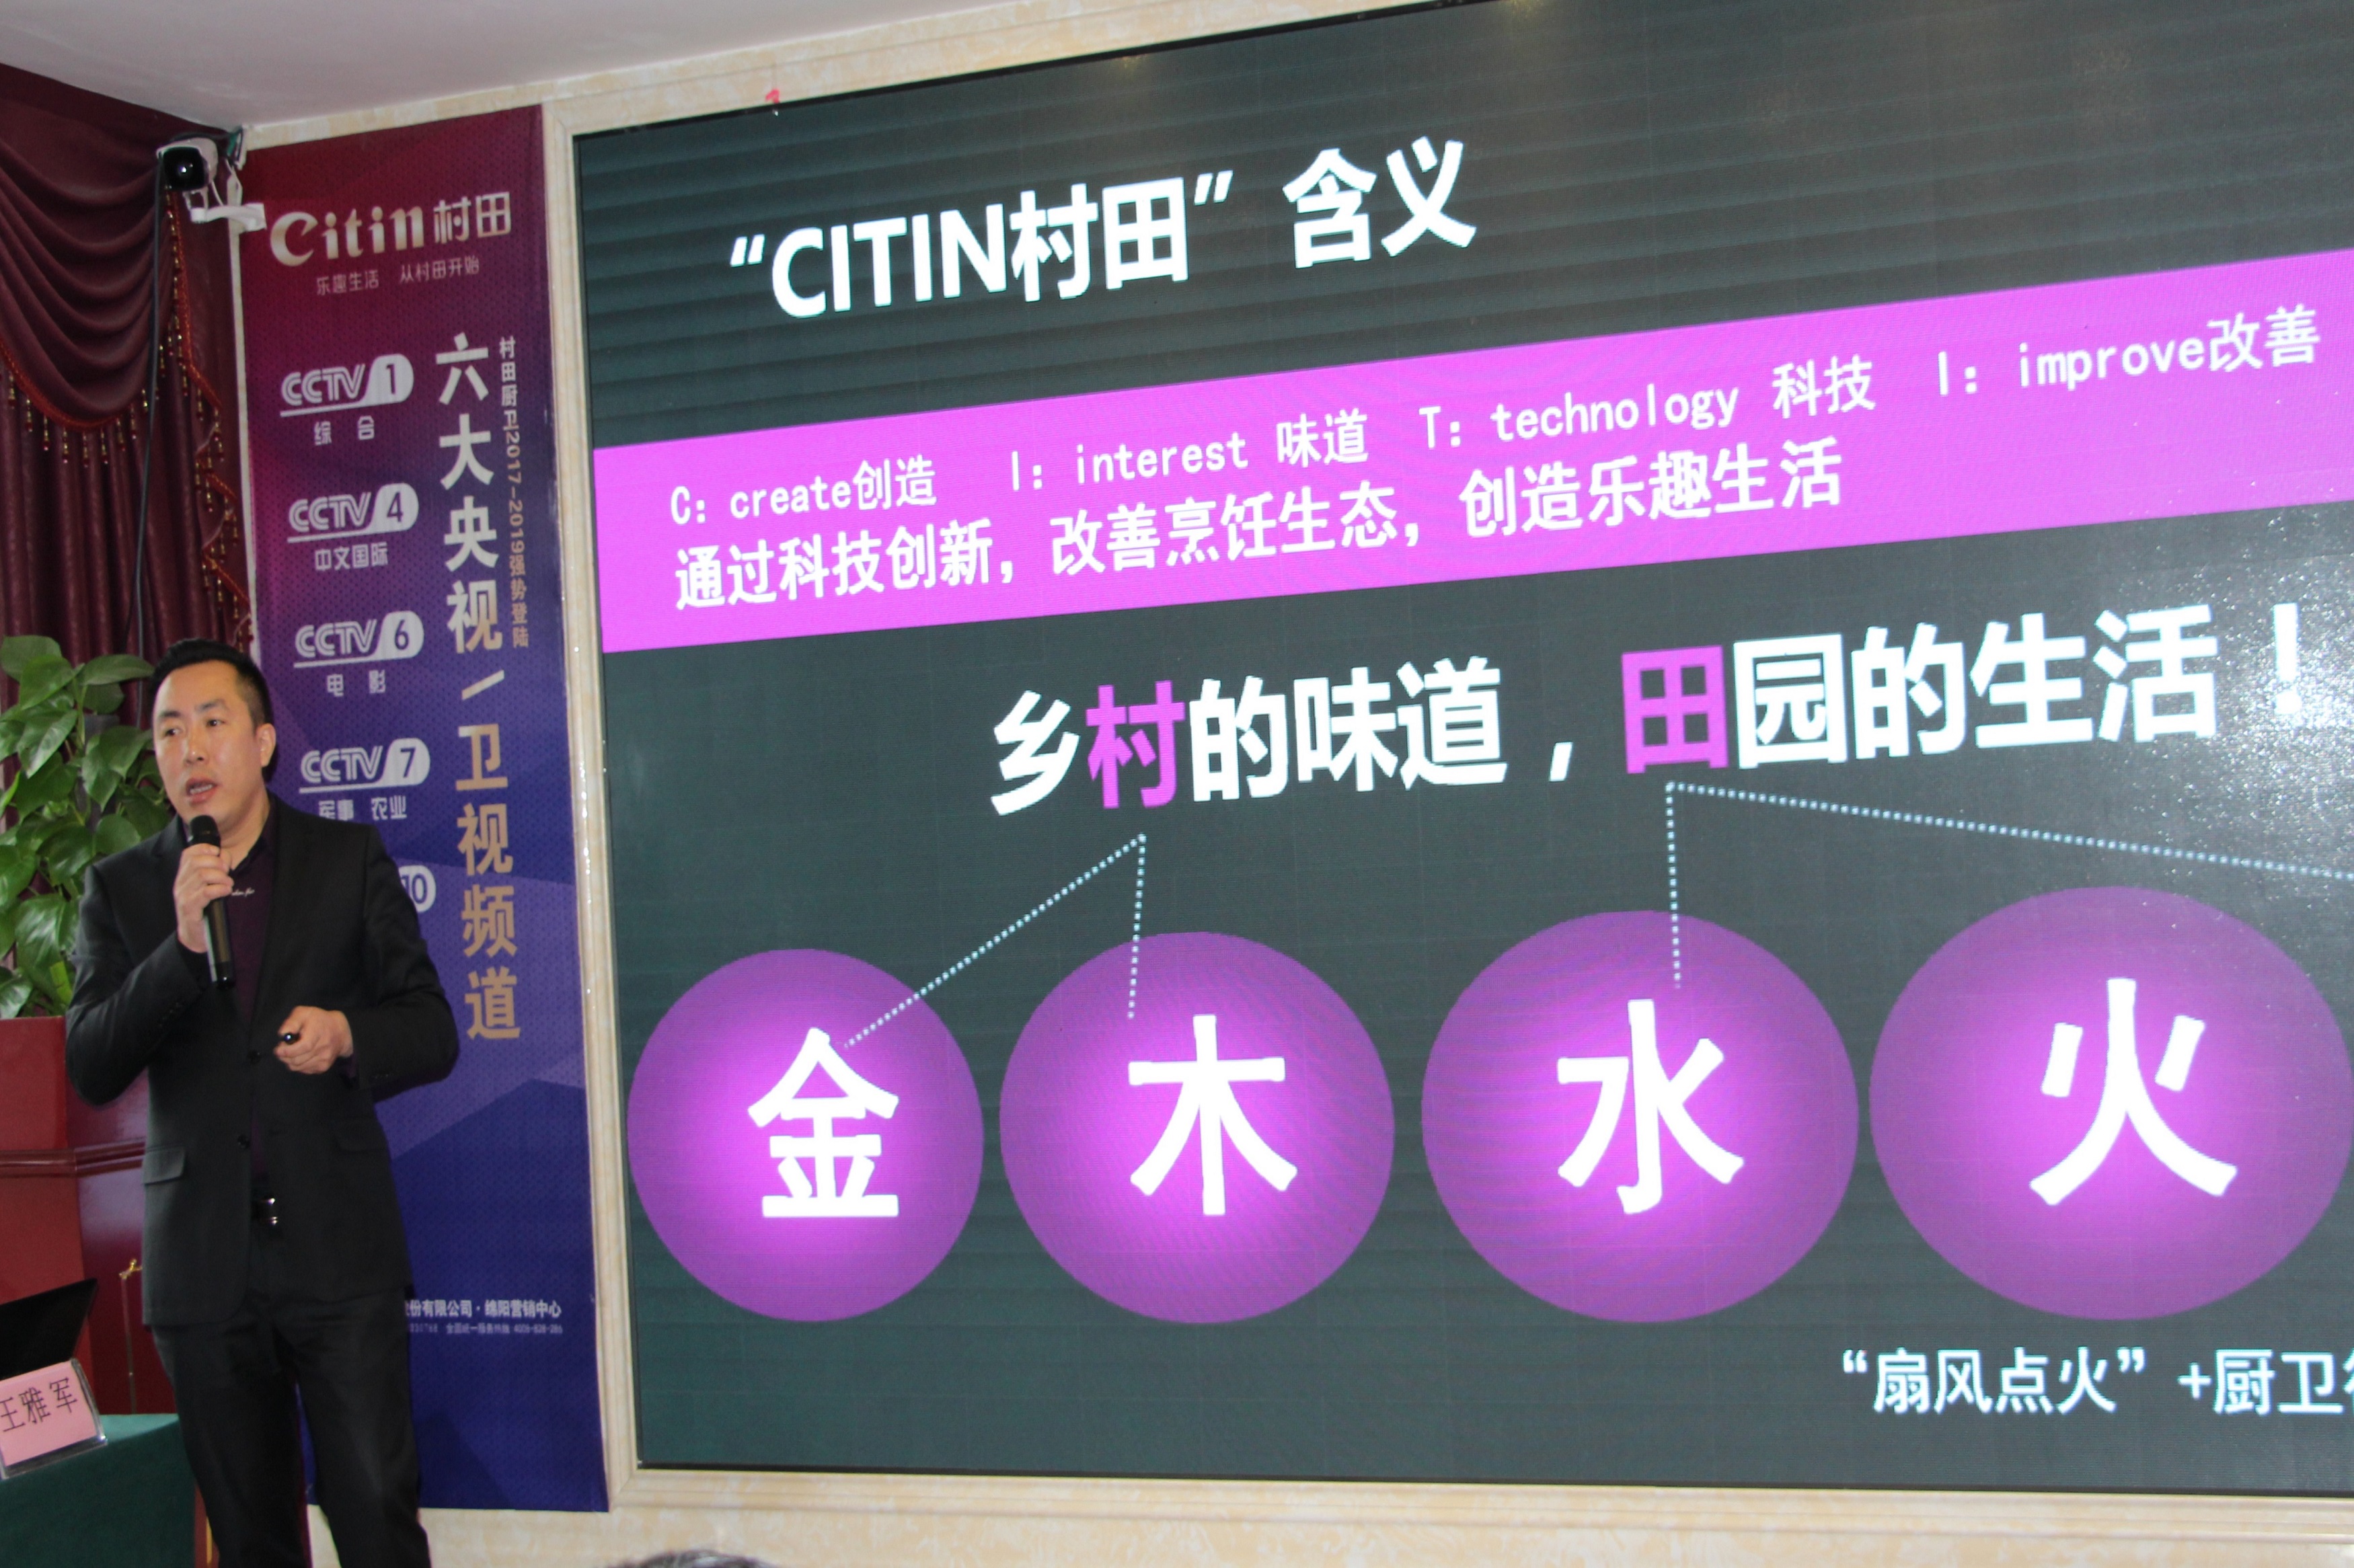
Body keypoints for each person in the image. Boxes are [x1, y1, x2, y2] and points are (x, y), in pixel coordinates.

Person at [66, 639, 457, 1568]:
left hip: (338, 1254)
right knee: (251, 1541)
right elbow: (91, 1062)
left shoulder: (345, 858)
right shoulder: (123, 888)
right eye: (170, 732)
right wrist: (178, 949)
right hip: (203, 1271)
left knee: (376, 1517)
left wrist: (348, 1034)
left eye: (213, 723)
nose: (191, 750)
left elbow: (431, 1028)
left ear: (265, 741)